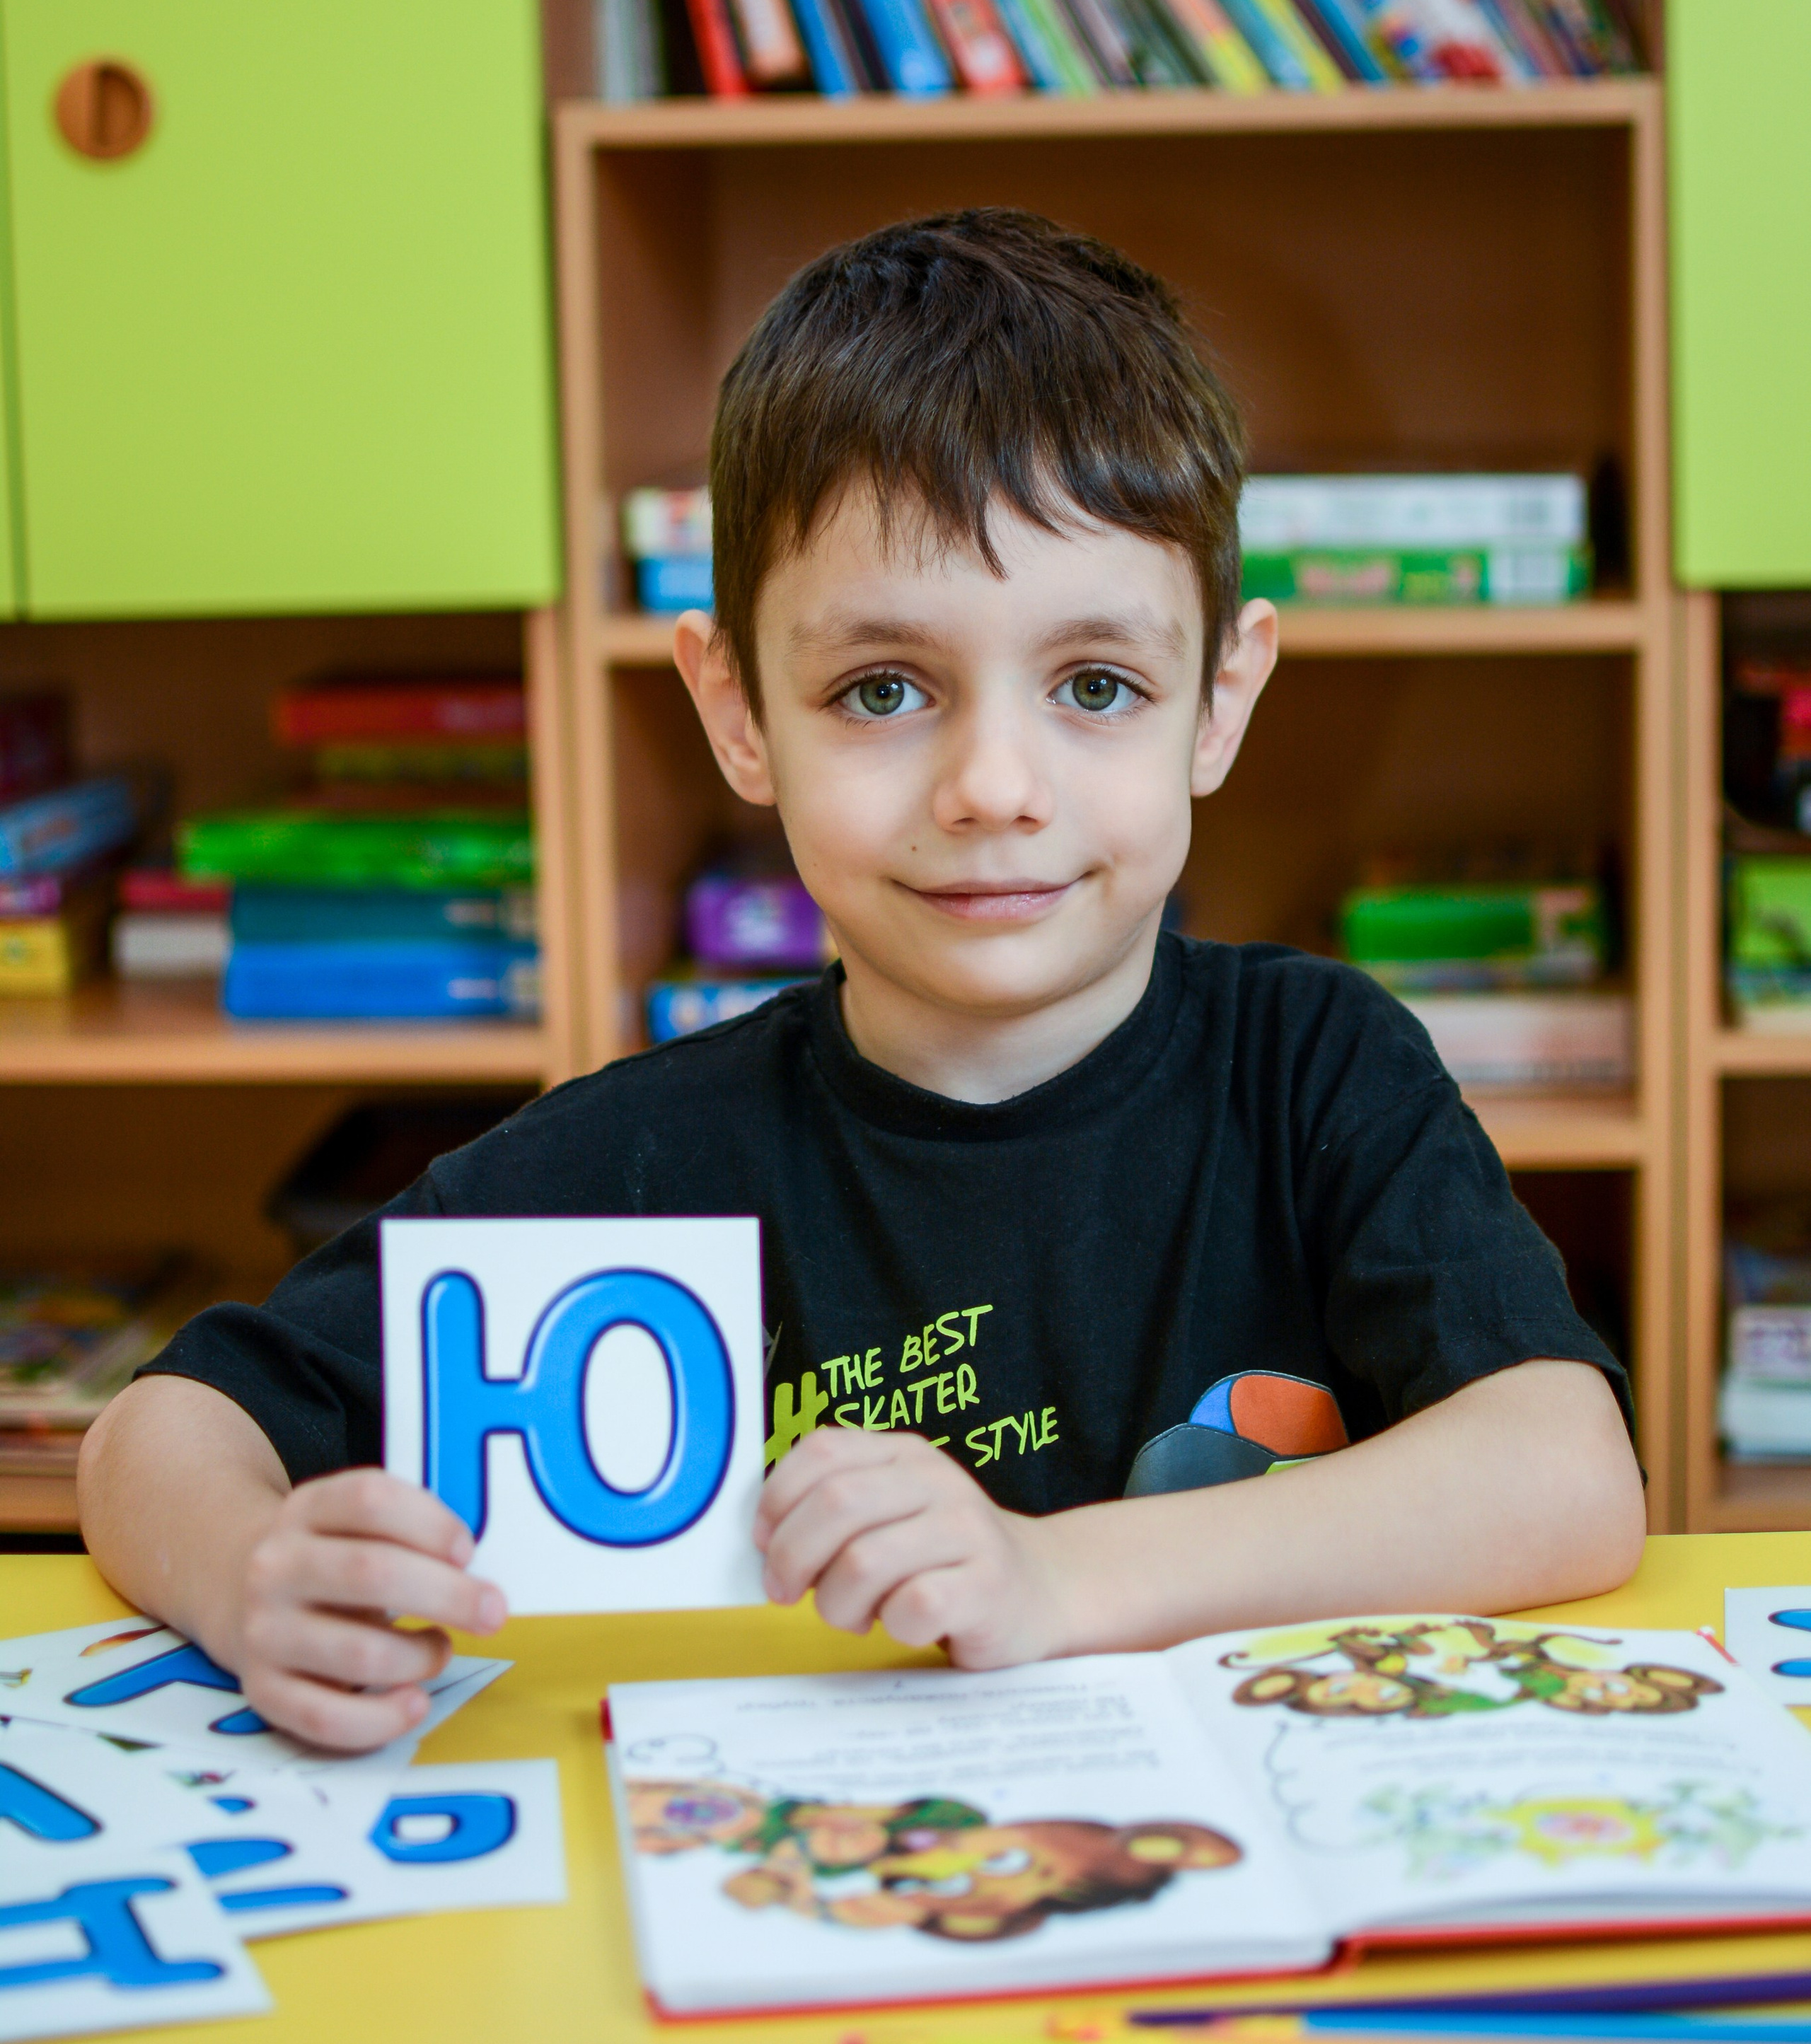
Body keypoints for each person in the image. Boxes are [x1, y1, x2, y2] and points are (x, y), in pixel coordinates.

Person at [79, 210, 1646, 1749]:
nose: (991, 785)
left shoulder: (1315, 1066)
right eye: (881, 688)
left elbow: (1565, 1473)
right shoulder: (636, 1159)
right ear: (738, 708)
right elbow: (166, 1429)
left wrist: (1049, 1571)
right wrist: (250, 1578)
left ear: (1218, 703)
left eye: (1096, 684)